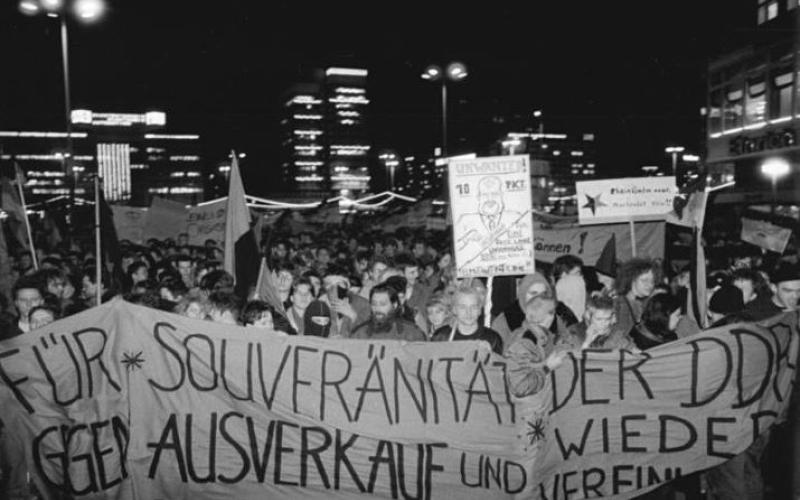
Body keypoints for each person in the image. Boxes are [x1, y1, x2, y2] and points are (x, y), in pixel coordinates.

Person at [504, 294, 567, 398]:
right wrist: (547, 368)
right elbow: (519, 387)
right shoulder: (523, 342)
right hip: (529, 409)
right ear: (529, 315)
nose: (549, 317)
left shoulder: (545, 336)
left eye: (551, 312)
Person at [431, 286, 503, 354]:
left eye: (473, 307)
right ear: (454, 310)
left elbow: (498, 365)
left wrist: (488, 356)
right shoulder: (441, 337)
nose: (468, 312)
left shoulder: (492, 338)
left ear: (479, 310)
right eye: (463, 307)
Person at [350, 284, 426, 341]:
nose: (377, 308)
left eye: (383, 304)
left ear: (395, 305)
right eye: (374, 304)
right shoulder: (359, 333)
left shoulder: (411, 333)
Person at [557, 294, 631, 350]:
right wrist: (587, 342)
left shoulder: (616, 335)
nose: (604, 324)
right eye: (599, 319)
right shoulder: (572, 333)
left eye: (607, 319)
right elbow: (569, 364)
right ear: (587, 316)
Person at [613, 258, 660, 339]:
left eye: (652, 281)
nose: (650, 285)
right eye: (644, 280)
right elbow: (619, 336)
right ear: (631, 280)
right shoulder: (621, 304)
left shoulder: (641, 303)